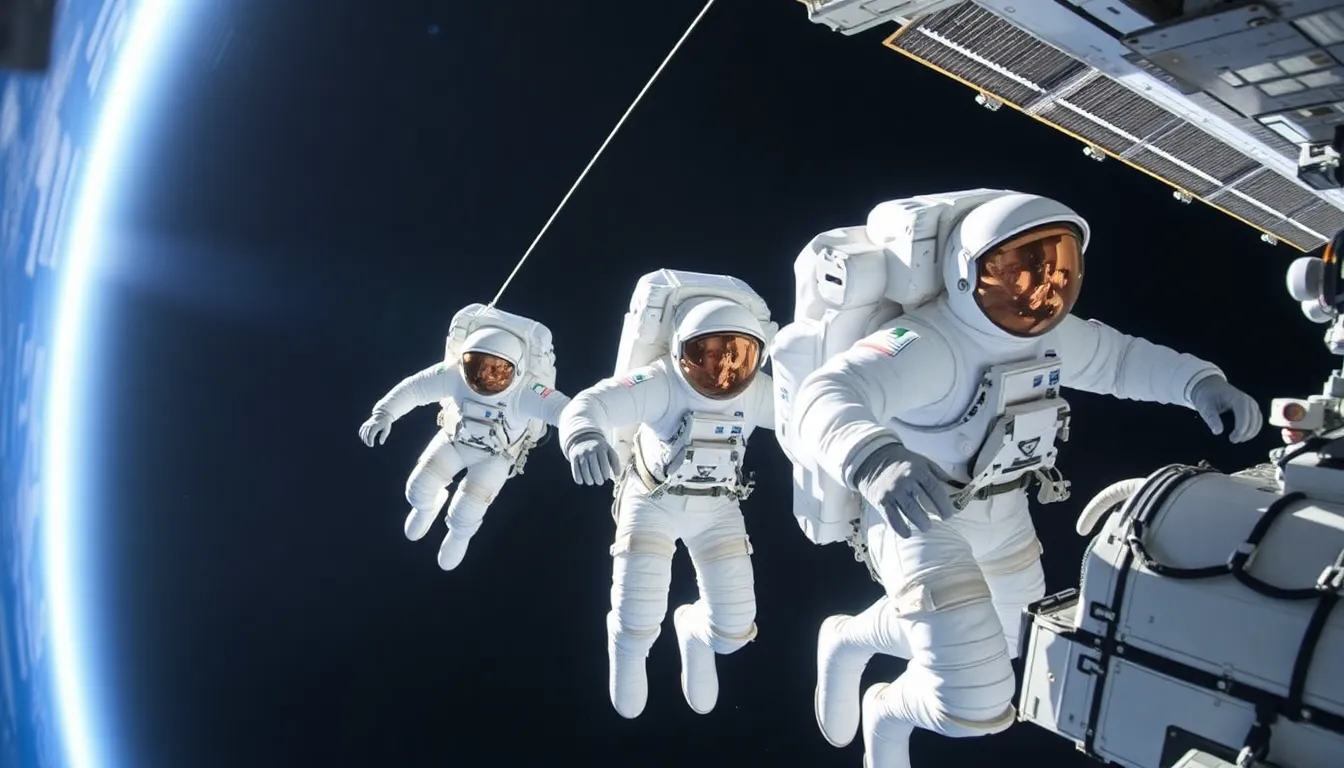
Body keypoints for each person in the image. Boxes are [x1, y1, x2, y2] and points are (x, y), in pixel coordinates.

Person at [778, 190, 1262, 767]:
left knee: (1013, 646)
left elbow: (1124, 361)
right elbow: (826, 392)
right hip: (918, 516)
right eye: (1017, 272)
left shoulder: (1055, 337)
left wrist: (1199, 384)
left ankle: (863, 659)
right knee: (976, 699)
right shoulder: (928, 343)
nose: (1040, 288)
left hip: (1004, 516)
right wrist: (875, 456)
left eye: (1055, 267)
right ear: (967, 274)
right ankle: (884, 701)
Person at [557, 269, 777, 720]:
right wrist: (582, 435)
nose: (721, 370)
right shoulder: (660, 382)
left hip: (718, 508)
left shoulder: (757, 393)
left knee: (734, 633)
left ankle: (693, 632)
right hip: (650, 500)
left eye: (736, 356)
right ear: (681, 353)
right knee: (638, 618)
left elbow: (814, 417)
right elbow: (589, 404)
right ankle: (628, 647)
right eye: (708, 355)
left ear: (756, 357)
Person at [359, 304, 570, 571]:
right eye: (478, 367)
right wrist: (384, 413)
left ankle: (459, 534)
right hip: (453, 441)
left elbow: (565, 411)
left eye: (496, 371)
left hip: (496, 457)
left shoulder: (526, 391)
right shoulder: (454, 374)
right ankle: (426, 507)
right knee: (417, 488)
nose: (485, 377)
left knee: (467, 511)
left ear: (515, 370)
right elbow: (413, 388)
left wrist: (586, 436)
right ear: (465, 361)